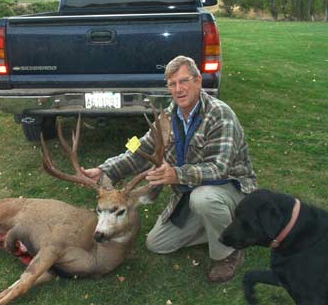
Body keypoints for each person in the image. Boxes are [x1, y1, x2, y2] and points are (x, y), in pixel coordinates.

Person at [81, 55, 258, 283]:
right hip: (188, 193)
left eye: (184, 81)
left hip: (230, 189)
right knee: (157, 244)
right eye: (172, 84)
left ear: (198, 81)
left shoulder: (220, 115)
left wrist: (176, 174)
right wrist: (105, 169)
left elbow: (219, 169)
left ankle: (230, 252)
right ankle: (226, 227)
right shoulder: (167, 117)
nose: (179, 89)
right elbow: (139, 147)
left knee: (204, 199)